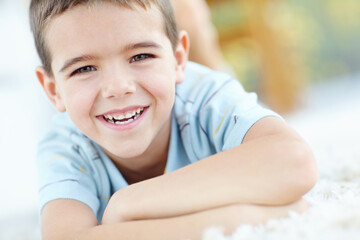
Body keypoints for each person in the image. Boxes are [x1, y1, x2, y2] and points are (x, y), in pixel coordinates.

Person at [29, 0, 317, 239]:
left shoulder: (206, 95)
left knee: (216, 74)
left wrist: (126, 205)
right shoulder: (65, 145)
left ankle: (197, 28)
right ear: (53, 90)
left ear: (179, 60)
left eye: (140, 55)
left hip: (193, 90)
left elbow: (295, 161)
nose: (118, 87)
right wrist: (241, 218)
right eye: (84, 69)